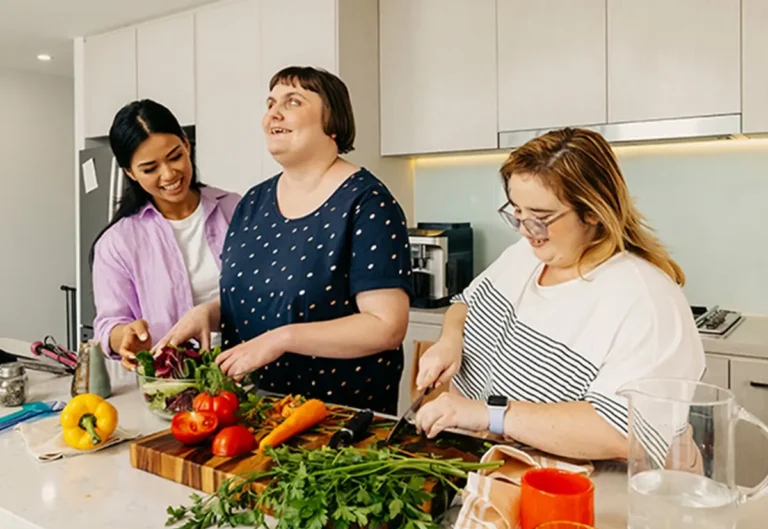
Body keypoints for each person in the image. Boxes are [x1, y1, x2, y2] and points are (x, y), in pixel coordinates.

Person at [413, 127, 705, 461]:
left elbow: (620, 432)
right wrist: (450, 341)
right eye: (517, 213)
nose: (526, 230)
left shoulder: (645, 301)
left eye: (540, 218)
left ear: (593, 210)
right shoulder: (524, 255)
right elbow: (464, 305)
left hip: (582, 494)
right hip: (489, 469)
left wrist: (490, 414)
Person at [156, 66, 413, 415]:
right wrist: (209, 313)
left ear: (333, 122)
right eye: (270, 102)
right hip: (248, 411)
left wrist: (283, 339)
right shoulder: (252, 203)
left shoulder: (367, 203)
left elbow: (386, 327)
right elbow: (264, 298)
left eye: (293, 101)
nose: (273, 114)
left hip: (336, 424)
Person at [91, 99, 240, 370]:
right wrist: (124, 337)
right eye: (150, 169)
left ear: (186, 143)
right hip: (171, 385)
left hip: (248, 371)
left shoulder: (235, 209)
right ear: (130, 173)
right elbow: (108, 323)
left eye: (175, 157)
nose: (169, 174)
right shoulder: (117, 243)